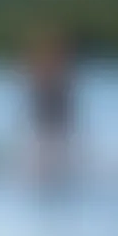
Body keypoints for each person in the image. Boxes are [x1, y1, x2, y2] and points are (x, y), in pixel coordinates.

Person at [26, 27, 76, 185]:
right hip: (44, 131)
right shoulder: (40, 77)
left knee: (56, 151)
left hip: (57, 131)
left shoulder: (62, 79)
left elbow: (67, 113)